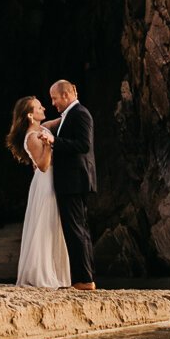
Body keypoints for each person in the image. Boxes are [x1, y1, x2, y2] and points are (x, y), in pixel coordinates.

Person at [5, 95, 71, 289]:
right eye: (39, 107)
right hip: (45, 183)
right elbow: (42, 165)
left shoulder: (42, 129)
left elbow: (63, 119)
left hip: (51, 181)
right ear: (30, 116)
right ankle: (42, 275)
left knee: (53, 225)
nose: (43, 108)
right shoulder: (33, 136)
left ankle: (57, 273)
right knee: (45, 225)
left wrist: (71, 105)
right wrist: (49, 145)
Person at [45, 79, 96, 290]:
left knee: (76, 230)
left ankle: (84, 280)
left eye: (55, 98)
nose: (53, 103)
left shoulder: (80, 113)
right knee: (77, 229)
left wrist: (54, 142)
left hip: (75, 181)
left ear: (65, 95)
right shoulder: (70, 114)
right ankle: (83, 278)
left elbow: (84, 145)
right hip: (72, 181)